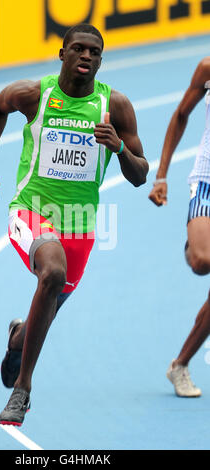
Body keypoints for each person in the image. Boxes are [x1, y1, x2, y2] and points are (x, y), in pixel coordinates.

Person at [0, 23, 148, 427]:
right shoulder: (35, 95)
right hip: (30, 210)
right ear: (63, 54)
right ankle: (23, 390)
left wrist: (119, 148)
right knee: (51, 272)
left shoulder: (115, 107)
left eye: (95, 52)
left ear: (101, 60)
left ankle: (18, 337)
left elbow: (141, 174)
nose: (87, 56)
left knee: (45, 309)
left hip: (81, 225)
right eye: (79, 49)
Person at [149, 57, 210, 398]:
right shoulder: (207, 69)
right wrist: (162, 175)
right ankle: (195, 244)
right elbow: (181, 115)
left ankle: (180, 366)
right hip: (207, 179)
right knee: (201, 262)